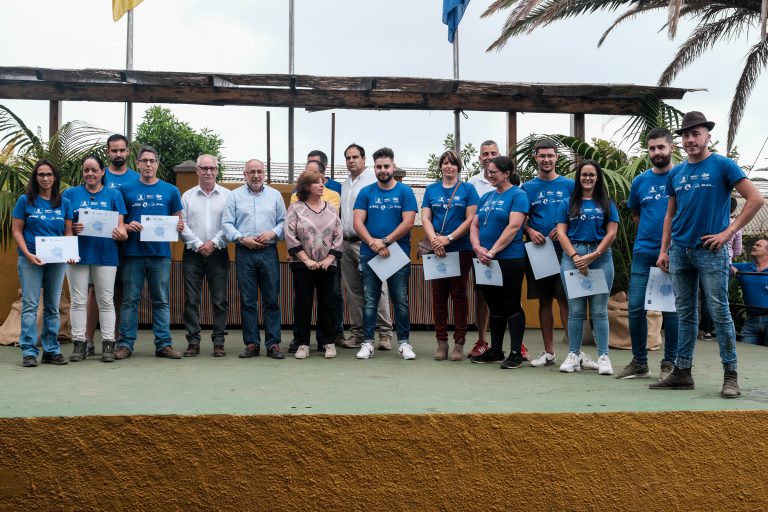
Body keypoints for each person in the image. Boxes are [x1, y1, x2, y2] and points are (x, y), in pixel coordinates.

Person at [653, 111, 762, 398]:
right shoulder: (676, 173)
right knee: (686, 314)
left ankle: (730, 376)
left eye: (696, 134)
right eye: (686, 135)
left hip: (711, 252)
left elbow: (756, 199)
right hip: (680, 251)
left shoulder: (723, 165)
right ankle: (682, 372)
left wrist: (728, 232)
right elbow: (669, 215)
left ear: (707, 136)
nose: (690, 139)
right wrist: (664, 250)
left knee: (720, 312)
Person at [618, 128, 680, 381]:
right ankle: (640, 362)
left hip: (675, 254)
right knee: (635, 308)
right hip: (644, 252)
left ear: (671, 148)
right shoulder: (640, 181)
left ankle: (670, 363)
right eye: (652, 149)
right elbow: (636, 215)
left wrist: (669, 245)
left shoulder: (681, 176)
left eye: (661, 148)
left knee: (671, 311)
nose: (656, 153)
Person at [115, 146, 184, 360]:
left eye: (152, 161)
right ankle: (125, 345)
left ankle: (163, 344)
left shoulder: (171, 190)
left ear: (157, 164)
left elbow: (178, 219)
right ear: (137, 163)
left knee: (161, 300)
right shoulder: (125, 190)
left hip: (160, 254)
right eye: (144, 160)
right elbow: (118, 223)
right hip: (132, 253)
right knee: (130, 300)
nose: (148, 164)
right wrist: (127, 225)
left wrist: (179, 226)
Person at [353, 147, 418, 360]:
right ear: (374, 168)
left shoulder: (405, 192)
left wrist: (386, 241)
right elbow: (357, 222)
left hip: (397, 253)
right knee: (370, 299)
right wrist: (373, 243)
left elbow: (408, 222)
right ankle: (368, 343)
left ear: (393, 166)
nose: (383, 170)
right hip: (370, 253)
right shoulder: (366, 193)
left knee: (400, 300)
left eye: (386, 166)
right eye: (379, 166)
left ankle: (404, 344)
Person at [556, 159, 619, 376]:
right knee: (576, 311)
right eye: (584, 175)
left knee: (600, 311)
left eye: (592, 175)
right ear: (578, 177)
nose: (588, 178)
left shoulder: (608, 203)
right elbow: (561, 232)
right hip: (571, 257)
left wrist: (594, 255)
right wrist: (574, 255)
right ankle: (574, 355)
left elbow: (611, 233)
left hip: (600, 257)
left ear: (598, 177)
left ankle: (604, 356)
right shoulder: (568, 203)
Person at [63, 155, 128, 363]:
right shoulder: (70, 194)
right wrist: (72, 228)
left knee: (105, 300)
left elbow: (120, 225)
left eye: (94, 170)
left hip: (106, 254)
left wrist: (121, 233)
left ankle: (108, 344)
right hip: (76, 254)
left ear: (102, 172)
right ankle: (79, 344)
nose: (89, 174)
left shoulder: (114, 194)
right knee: (78, 301)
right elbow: (63, 226)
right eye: (86, 170)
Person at [80, 134, 139, 357]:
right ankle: (87, 339)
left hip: (129, 247)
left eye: (122, 150)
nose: (118, 154)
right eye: (114, 150)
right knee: (95, 292)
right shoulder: (95, 178)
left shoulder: (135, 179)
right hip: (100, 248)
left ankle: (112, 339)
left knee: (121, 293)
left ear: (128, 152)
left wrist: (130, 226)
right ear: (107, 152)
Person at [222, 159, 287, 360]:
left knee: (271, 300)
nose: (256, 175)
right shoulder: (234, 196)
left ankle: (273, 344)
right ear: (245, 174)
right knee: (248, 300)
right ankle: (251, 343)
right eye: (252, 172)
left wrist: (272, 234)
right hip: (244, 252)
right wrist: (242, 239)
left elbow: (284, 222)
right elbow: (227, 223)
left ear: (265, 173)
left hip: (269, 252)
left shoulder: (275, 195)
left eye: (259, 171)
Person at [469, 156, 529, 369]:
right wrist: (477, 248)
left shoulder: (518, 195)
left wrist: (493, 251)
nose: (490, 174)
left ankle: (515, 352)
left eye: (494, 171)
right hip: (485, 260)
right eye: (488, 171)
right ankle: (495, 350)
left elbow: (514, 227)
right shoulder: (486, 197)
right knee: (493, 304)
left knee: (511, 304)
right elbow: (474, 225)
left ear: (506, 173)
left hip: (509, 258)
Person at [11, 160, 73, 367]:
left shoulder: (64, 203)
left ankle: (51, 350)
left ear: (55, 177)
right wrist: (28, 254)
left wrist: (70, 252)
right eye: (41, 174)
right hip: (31, 260)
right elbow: (17, 230)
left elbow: (68, 232)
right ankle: (29, 351)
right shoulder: (25, 201)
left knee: (52, 306)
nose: (45, 178)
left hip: (56, 262)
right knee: (29, 305)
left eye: (49, 174)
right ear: (35, 178)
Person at [421, 149, 478, 360]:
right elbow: (426, 217)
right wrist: (435, 240)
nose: (448, 166)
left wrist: (449, 238)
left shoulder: (468, 189)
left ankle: (459, 342)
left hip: (460, 248)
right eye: (444, 163)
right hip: (436, 249)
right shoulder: (431, 189)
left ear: (458, 167)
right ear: (440, 166)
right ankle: (441, 342)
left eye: (452, 163)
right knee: (438, 297)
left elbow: (470, 219)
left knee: (459, 294)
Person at [521, 138, 573, 367]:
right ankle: (549, 353)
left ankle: (574, 353)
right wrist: (530, 231)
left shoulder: (570, 186)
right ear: (536, 158)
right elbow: (519, 219)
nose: (546, 159)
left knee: (565, 300)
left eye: (550, 155)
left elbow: (577, 214)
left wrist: (562, 230)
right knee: (544, 301)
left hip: (564, 250)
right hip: (539, 251)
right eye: (542, 156)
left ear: (557, 157)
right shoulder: (527, 188)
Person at [285, 168, 343, 359]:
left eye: (322, 181)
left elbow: (338, 235)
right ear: (306, 186)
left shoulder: (331, 208)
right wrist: (307, 260)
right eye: (317, 182)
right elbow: (290, 235)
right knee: (303, 304)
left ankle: (327, 342)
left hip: (328, 265)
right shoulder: (295, 208)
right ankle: (302, 343)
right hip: (302, 265)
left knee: (327, 304)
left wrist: (328, 259)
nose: (321, 185)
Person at [340, 143, 394, 349]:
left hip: (371, 243)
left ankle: (384, 334)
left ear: (364, 160)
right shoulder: (345, 184)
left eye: (355, 157)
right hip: (346, 243)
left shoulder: (374, 180)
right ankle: (358, 333)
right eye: (348, 157)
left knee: (378, 289)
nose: (351, 160)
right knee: (354, 291)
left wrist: (377, 242)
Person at [179, 154, 231, 357]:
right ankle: (193, 341)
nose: (208, 172)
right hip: (193, 254)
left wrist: (214, 243)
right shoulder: (187, 196)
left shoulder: (228, 196)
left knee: (219, 300)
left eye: (212, 168)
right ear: (197, 171)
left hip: (219, 252)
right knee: (191, 300)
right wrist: (200, 244)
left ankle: (219, 341)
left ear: (217, 171)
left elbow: (229, 224)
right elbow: (182, 226)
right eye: (204, 168)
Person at [466, 140, 498, 359]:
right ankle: (482, 340)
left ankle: (514, 342)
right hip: (480, 250)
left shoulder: (513, 180)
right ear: (479, 158)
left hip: (506, 249)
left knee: (509, 295)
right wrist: (478, 246)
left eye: (493, 153)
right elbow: (472, 220)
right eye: (485, 153)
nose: (489, 156)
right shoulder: (472, 183)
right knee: (482, 294)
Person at [732, 239, 768, 346]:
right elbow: (724, 264)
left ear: (767, 252)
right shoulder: (745, 267)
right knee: (746, 353)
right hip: (750, 320)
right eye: (754, 244)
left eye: (758, 245)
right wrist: (731, 268)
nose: (754, 246)